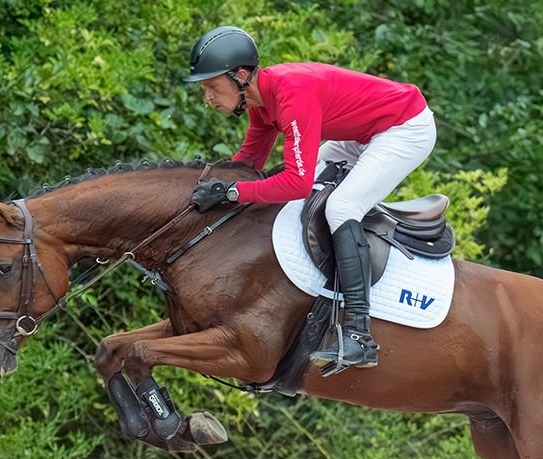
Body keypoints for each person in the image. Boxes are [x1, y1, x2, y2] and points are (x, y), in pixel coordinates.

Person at [184, 26, 437, 373]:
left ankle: (360, 336)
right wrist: (207, 188)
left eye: (212, 87)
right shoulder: (260, 101)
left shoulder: (292, 97)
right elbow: (248, 165)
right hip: (359, 134)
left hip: (404, 128)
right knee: (297, 187)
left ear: (240, 76)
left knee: (341, 206)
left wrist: (232, 192)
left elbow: (295, 184)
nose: (208, 98)